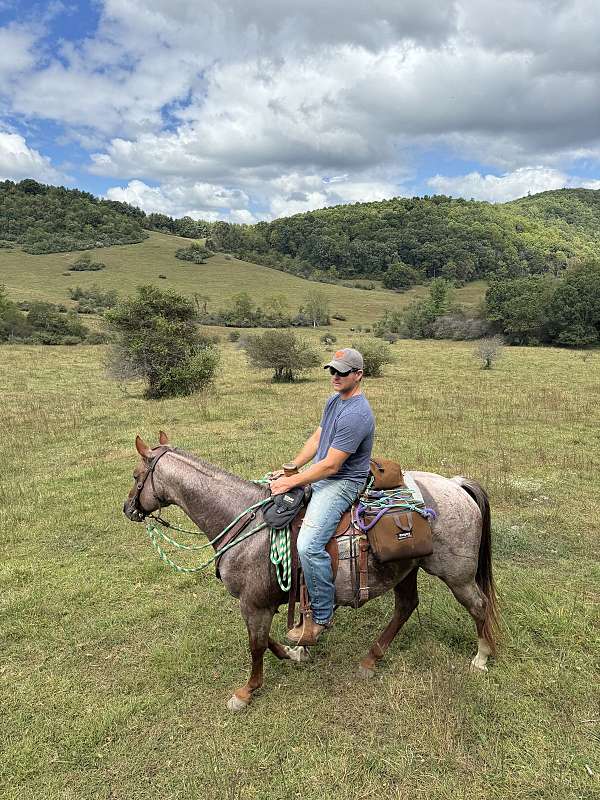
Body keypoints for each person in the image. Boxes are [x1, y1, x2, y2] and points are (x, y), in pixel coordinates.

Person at [269, 347, 375, 644]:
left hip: (342, 482)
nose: (335, 376)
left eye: (342, 372)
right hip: (322, 474)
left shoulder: (358, 414)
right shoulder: (334, 401)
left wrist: (293, 483)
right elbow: (317, 438)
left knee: (308, 544)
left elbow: (331, 465)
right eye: (332, 370)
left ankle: (321, 616)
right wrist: (291, 468)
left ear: (358, 375)